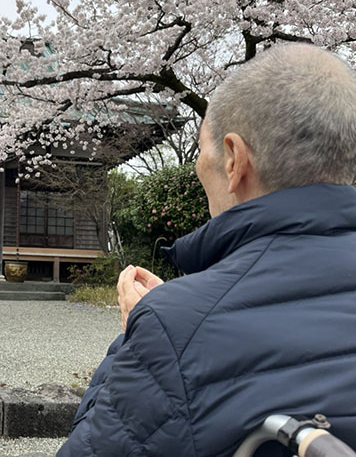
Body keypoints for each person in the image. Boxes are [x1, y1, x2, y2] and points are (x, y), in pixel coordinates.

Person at [58, 43, 356, 456]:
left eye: (202, 153)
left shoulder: (172, 327)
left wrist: (139, 335)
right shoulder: (179, 317)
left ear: (234, 160)